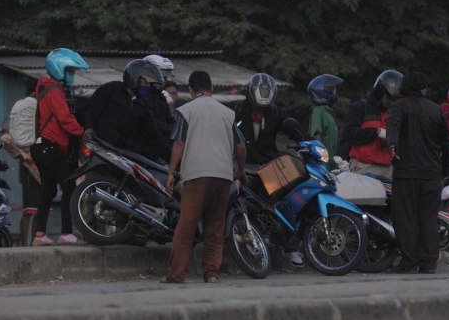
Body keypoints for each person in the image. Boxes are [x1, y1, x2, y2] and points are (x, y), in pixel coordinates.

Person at [160, 70, 246, 284]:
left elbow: (179, 143)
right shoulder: (227, 113)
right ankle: (211, 273)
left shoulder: (187, 110)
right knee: (215, 226)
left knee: (187, 225)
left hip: (197, 175)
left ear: (190, 91)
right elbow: (241, 146)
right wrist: (240, 171)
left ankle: (177, 275)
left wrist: (171, 172)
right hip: (223, 176)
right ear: (212, 89)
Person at [228, 73, 313, 267]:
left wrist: (311, 142)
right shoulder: (235, 108)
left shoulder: (276, 112)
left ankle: (289, 246)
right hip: (240, 166)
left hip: (269, 167)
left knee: (290, 200)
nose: (260, 109)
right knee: (237, 202)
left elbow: (295, 129)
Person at [386, 72, 449, 274]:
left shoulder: (398, 106)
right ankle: (428, 263)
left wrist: (392, 144)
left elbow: (393, 126)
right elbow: (447, 142)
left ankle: (408, 263)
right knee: (428, 219)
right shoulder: (435, 109)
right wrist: (445, 168)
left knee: (406, 219)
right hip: (432, 173)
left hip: (406, 172)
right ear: (423, 88)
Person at [30, 48, 89, 246]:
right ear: (58, 69)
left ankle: (39, 235)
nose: (72, 75)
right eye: (70, 71)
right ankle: (65, 233)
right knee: (69, 184)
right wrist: (83, 132)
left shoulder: (44, 88)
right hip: (49, 146)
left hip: (40, 147)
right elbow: (65, 119)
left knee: (47, 190)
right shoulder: (54, 90)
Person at [85, 59, 171, 162]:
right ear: (135, 77)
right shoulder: (112, 89)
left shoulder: (141, 105)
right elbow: (90, 109)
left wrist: (172, 158)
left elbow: (153, 134)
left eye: (149, 84)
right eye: (146, 82)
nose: (148, 86)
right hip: (96, 147)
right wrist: (88, 127)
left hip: (117, 154)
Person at [342, 70, 404, 177]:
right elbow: (348, 133)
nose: (390, 103)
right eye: (388, 98)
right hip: (363, 166)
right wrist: (375, 132)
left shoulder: (394, 112)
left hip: (388, 168)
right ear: (380, 92)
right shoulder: (361, 107)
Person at [127, 55, 176, 158]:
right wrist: (170, 127)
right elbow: (151, 124)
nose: (164, 80)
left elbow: (169, 119)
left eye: (165, 77)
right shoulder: (141, 96)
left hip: (157, 150)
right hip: (140, 151)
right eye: (162, 76)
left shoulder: (160, 97)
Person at [307, 74, 344, 170]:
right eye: (334, 92)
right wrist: (322, 163)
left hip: (331, 168)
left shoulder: (328, 114)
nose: (336, 95)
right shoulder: (319, 112)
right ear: (326, 92)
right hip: (323, 168)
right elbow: (317, 139)